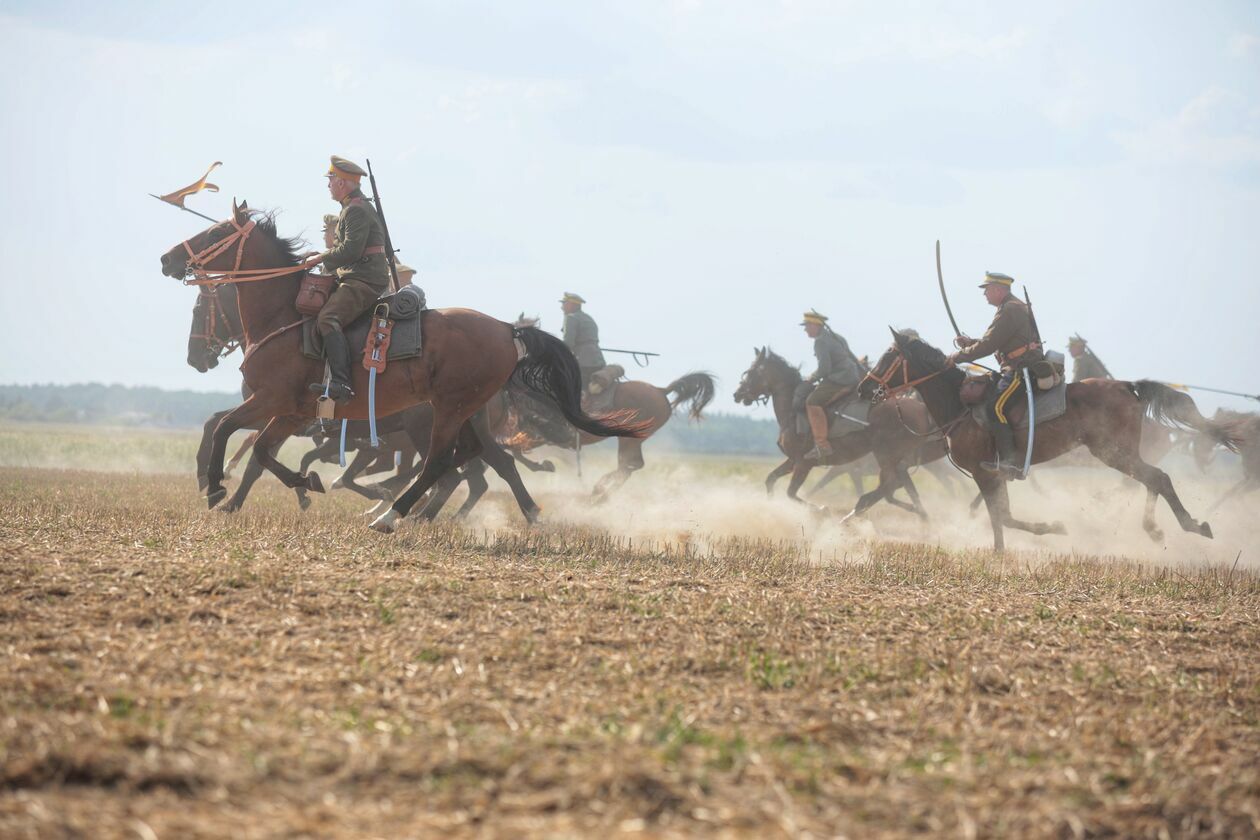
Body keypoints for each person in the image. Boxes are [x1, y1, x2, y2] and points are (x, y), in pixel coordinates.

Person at [308, 156, 390, 403]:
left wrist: (319, 258)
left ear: (342, 182)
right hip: (358, 275)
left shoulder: (355, 209)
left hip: (363, 280)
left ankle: (342, 383)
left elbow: (351, 251)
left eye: (331, 179)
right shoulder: (352, 206)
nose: (328, 185)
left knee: (327, 318)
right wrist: (318, 255)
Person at [946, 271, 1044, 479]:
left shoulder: (1009, 309)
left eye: (987, 290)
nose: (984, 295)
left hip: (1021, 369)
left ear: (999, 290)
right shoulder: (1009, 307)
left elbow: (989, 345)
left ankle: (1010, 462)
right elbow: (996, 342)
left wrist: (957, 356)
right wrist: (970, 342)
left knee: (995, 407)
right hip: (1015, 366)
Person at [801, 309, 862, 461]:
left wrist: (810, 378)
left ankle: (822, 445)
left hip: (839, 379)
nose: (805, 329)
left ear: (815, 325)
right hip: (852, 376)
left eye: (807, 325)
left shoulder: (820, 342)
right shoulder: (838, 337)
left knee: (812, 401)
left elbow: (824, 369)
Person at [560, 292, 606, 390]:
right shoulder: (589, 318)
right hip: (598, 361)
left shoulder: (571, 318)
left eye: (564, 303)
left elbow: (568, 343)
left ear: (572, 304)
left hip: (583, 362)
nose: (562, 307)